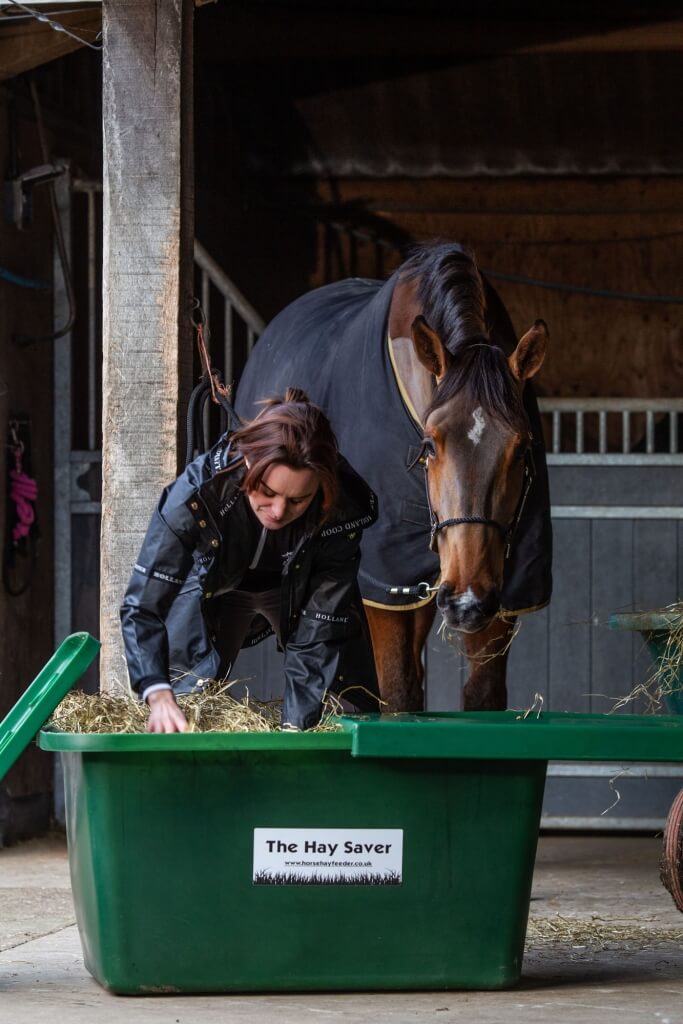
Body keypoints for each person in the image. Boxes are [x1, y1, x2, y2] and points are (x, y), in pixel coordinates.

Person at [120, 388, 380, 732]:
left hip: (297, 588)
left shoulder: (340, 510)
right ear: (247, 464)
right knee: (186, 698)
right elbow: (143, 605)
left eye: (298, 500)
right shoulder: (196, 495)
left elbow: (320, 625)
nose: (278, 512)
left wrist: (296, 732)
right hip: (216, 588)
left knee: (344, 701)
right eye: (268, 493)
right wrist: (158, 693)